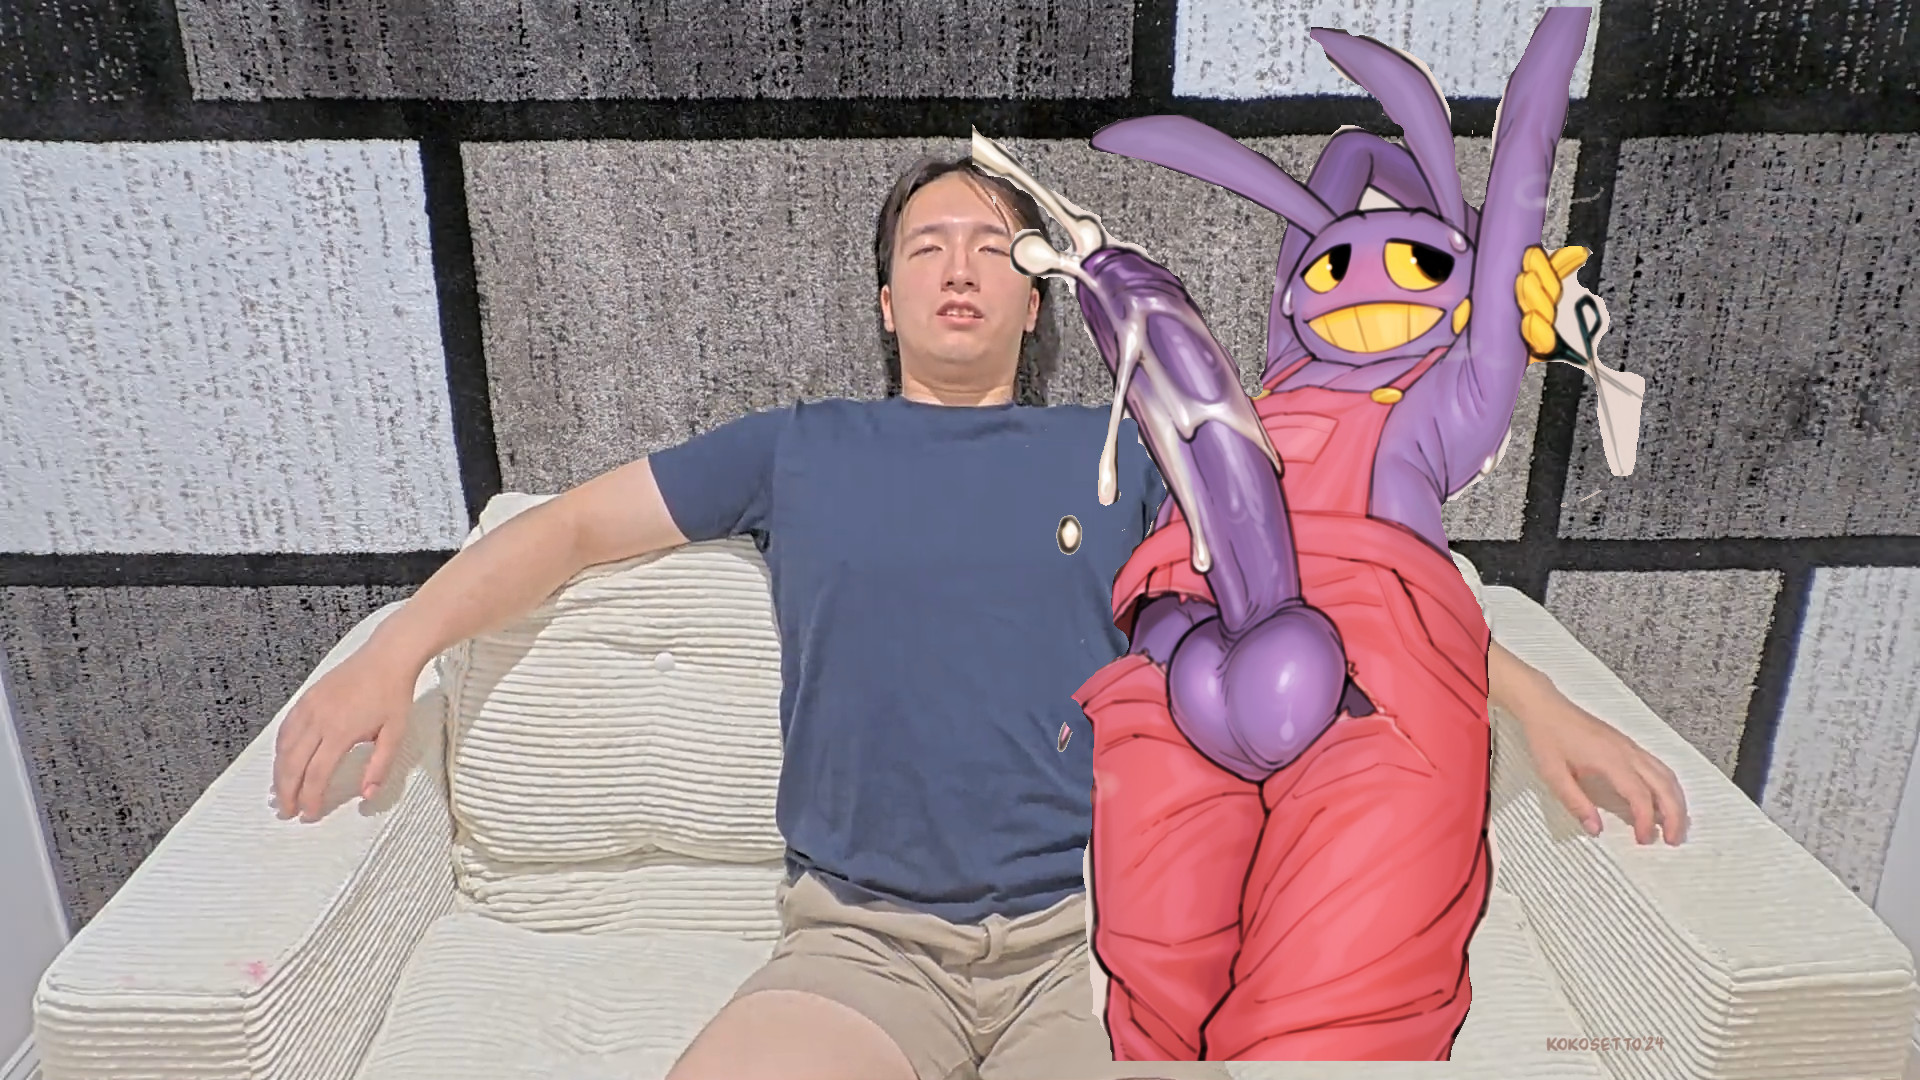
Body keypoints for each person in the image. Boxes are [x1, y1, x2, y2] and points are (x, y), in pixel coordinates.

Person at [270, 152, 1687, 1079]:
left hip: (1091, 944)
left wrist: (1540, 705)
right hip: (858, 943)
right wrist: (398, 649)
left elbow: (1337, 590)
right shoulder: (798, 448)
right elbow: (569, 528)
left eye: (997, 248)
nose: (960, 266)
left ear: (1039, 301)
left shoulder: (1127, 451)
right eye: (927, 246)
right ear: (887, 299)